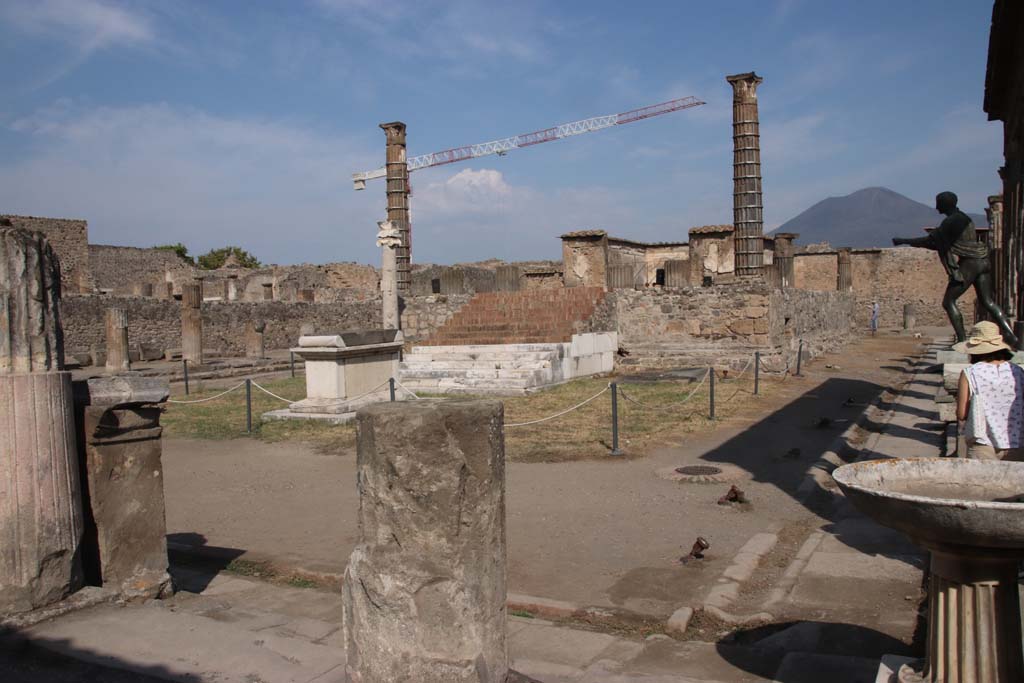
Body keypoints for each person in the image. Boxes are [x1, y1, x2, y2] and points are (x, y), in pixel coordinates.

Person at [892, 191, 1018, 348]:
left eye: (938, 202)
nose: (936, 206)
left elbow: (931, 241)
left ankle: (961, 340)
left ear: (945, 204)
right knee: (987, 301)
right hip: (983, 261)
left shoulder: (951, 221)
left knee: (948, 301)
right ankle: (1010, 334)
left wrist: (903, 241)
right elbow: (941, 243)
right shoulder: (965, 218)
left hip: (970, 263)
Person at [955, 321, 1024, 461]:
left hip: (982, 441)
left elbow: (961, 414)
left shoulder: (970, 373)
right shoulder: (1018, 372)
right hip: (1017, 440)